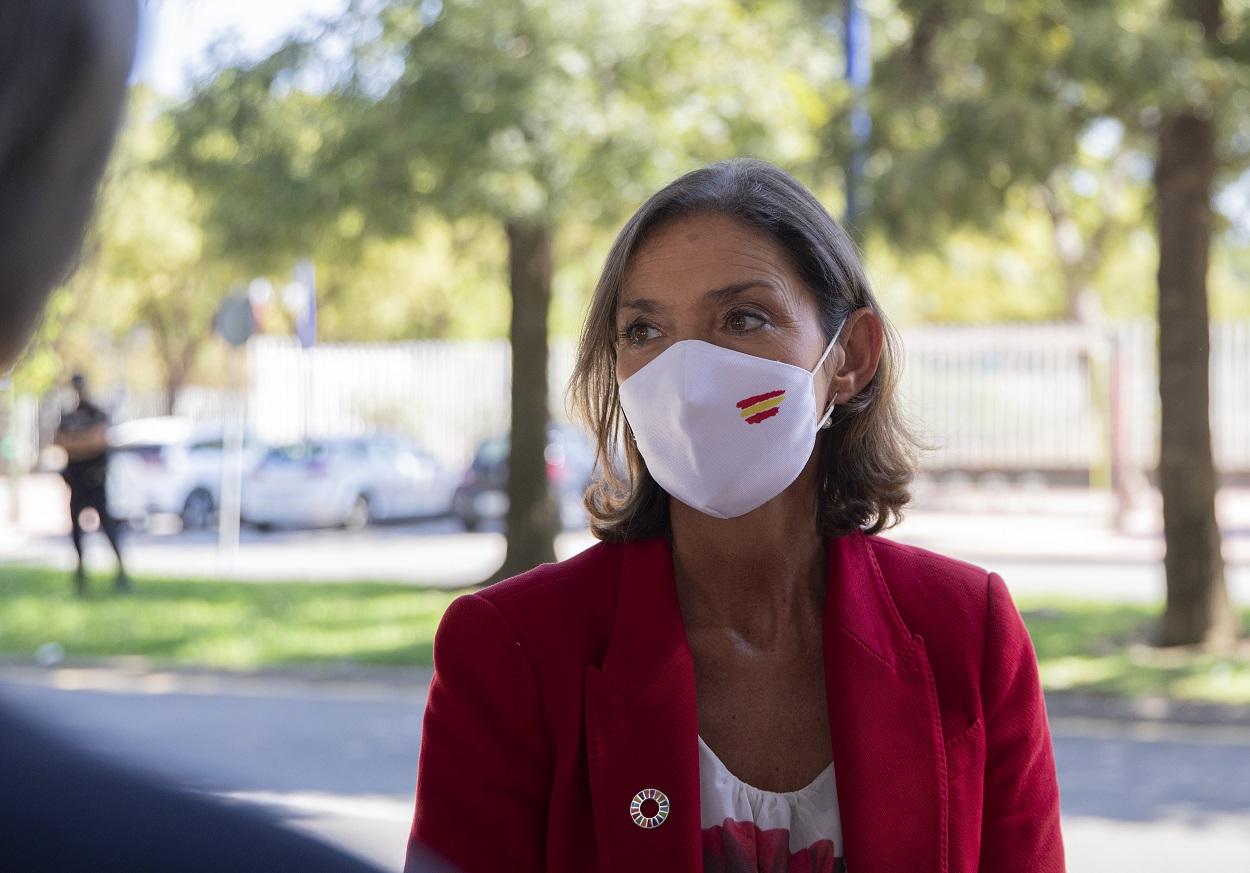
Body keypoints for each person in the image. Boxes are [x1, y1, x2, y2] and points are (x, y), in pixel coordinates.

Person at [408, 159, 1065, 872]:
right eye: (644, 330)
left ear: (850, 356)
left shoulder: (968, 634)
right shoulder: (512, 652)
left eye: (743, 318)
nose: (688, 377)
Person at [0, 2, 450, 870]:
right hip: (76, 484)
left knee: (110, 538)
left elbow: (91, 442)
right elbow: (70, 442)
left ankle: (115, 584)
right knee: (89, 545)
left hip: (93, 484)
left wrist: (83, 449)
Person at [53, 372, 129, 594]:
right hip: (76, 482)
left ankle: (121, 573)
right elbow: (59, 441)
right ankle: (80, 577)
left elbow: (100, 440)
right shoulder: (68, 416)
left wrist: (77, 443)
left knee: (108, 526)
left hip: (95, 480)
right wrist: (83, 442)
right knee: (76, 531)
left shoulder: (96, 412)